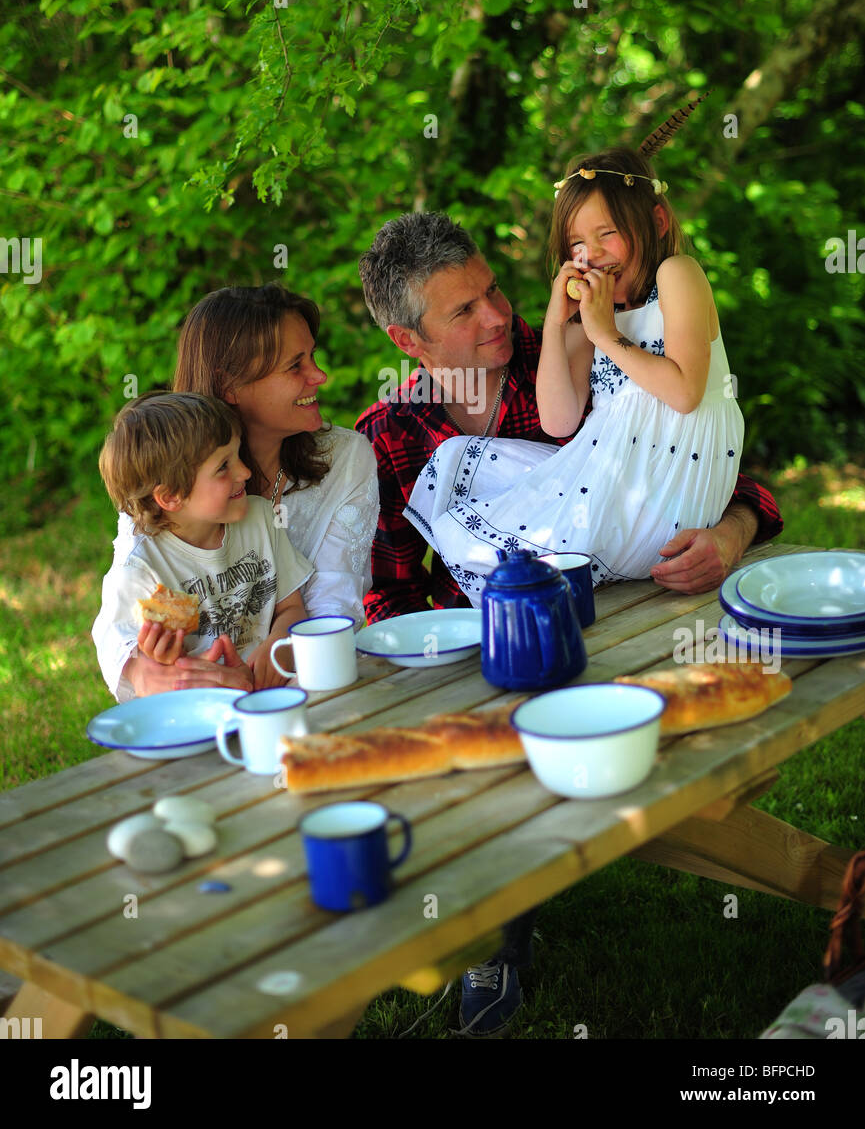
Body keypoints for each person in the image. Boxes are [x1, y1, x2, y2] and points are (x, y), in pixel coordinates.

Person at [355, 207, 783, 1038]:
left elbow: (718, 470)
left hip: (633, 635)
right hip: (488, 664)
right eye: (462, 312)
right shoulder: (392, 437)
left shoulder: (569, 354)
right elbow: (389, 598)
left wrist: (728, 535)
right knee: (469, 750)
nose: (496, 318)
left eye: (491, 292)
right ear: (410, 345)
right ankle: (492, 925)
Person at [404, 147, 745, 597]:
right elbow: (558, 420)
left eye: (608, 233)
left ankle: (537, 578)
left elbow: (684, 393)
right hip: (615, 485)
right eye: (578, 243)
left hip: (663, 500)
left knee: (525, 553)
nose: (594, 253)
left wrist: (605, 335)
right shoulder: (592, 318)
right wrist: (557, 320)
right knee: (455, 461)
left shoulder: (677, 274)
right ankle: (532, 585)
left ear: (658, 222)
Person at [99, 284, 379, 701]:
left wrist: (280, 657)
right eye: (295, 366)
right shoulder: (164, 473)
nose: (319, 376)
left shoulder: (347, 459)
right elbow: (121, 622)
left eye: (313, 357)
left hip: (305, 680)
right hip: (202, 697)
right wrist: (150, 667)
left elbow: (334, 605)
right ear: (230, 387)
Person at [92, 392, 312, 702]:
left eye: (238, 455)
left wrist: (280, 645)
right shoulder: (146, 567)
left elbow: (292, 608)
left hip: (274, 689)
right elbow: (135, 661)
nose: (245, 472)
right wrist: (163, 656)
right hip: (199, 704)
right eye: (224, 466)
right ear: (170, 496)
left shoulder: (261, 519)